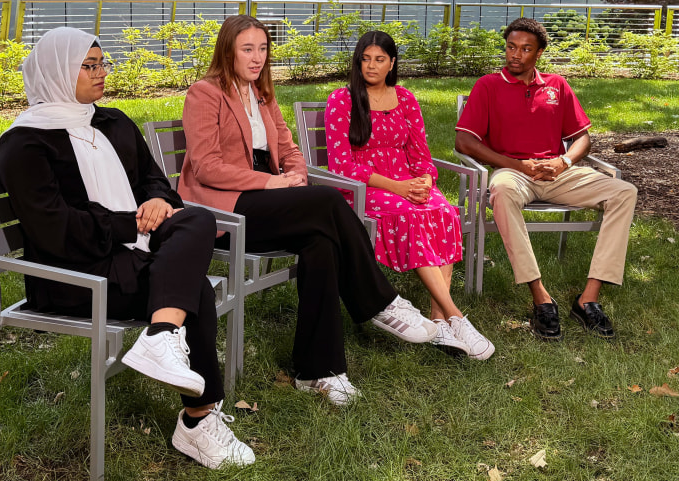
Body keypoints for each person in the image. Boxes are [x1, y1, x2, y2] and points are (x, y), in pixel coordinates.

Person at [0, 27, 254, 470]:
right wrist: (130, 221)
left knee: (196, 217)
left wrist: (156, 200)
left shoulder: (112, 121)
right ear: (57, 72)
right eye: (88, 66)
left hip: (132, 251)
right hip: (76, 274)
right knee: (191, 288)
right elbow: (54, 229)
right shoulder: (25, 143)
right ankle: (197, 421)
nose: (101, 74)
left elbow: (154, 179)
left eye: (102, 63)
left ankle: (161, 336)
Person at [178, 15, 439, 406]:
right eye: (247, 49)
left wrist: (296, 175)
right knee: (329, 200)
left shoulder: (262, 94)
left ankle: (319, 371)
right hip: (227, 207)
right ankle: (379, 302)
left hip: (271, 202)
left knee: (321, 241)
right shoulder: (205, 92)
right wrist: (272, 182)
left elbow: (289, 148)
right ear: (227, 50)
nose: (257, 58)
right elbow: (206, 165)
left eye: (263, 49)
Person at [455, 18, 637, 340]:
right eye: (511, 47)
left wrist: (564, 161)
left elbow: (583, 139)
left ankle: (588, 299)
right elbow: (464, 142)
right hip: (513, 172)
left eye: (525, 49)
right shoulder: (487, 86)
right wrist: (516, 164)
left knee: (624, 192)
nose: (515, 55)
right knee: (502, 192)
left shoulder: (557, 85)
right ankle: (540, 297)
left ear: (539, 53)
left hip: (558, 172)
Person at [325, 31, 495, 361]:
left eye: (379, 60)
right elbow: (341, 166)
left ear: (391, 64)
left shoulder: (405, 98)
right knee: (412, 214)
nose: (371, 66)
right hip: (365, 190)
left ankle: (437, 319)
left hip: (408, 185)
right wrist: (397, 187)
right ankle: (455, 315)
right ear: (357, 61)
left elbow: (421, 154)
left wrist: (425, 181)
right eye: (365, 59)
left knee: (442, 210)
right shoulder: (342, 100)